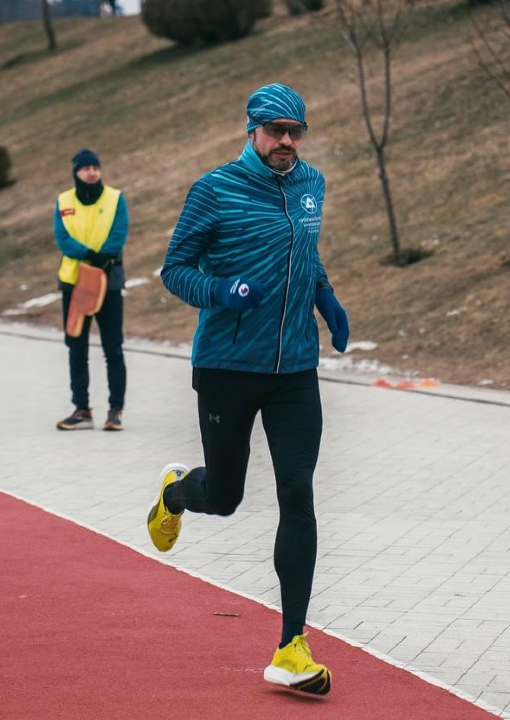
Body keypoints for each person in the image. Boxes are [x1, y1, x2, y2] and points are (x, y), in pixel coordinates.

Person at [147, 83, 349, 695]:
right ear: (253, 131)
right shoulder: (214, 189)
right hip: (228, 365)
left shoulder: (311, 183)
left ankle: (292, 645)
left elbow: (304, 254)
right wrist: (223, 290)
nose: (287, 141)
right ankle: (177, 496)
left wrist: (325, 295)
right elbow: (175, 268)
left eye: (296, 131)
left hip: (294, 371)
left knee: (298, 493)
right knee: (228, 496)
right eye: (276, 130)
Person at [54, 149, 128, 432]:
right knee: (76, 347)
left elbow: (119, 232)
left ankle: (115, 410)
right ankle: (81, 409)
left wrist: (104, 257)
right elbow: (62, 237)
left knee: (113, 348)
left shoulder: (115, 198)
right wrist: (87, 254)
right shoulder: (63, 201)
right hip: (74, 283)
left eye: (95, 167)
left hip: (108, 281)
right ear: (76, 172)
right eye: (85, 168)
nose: (91, 172)